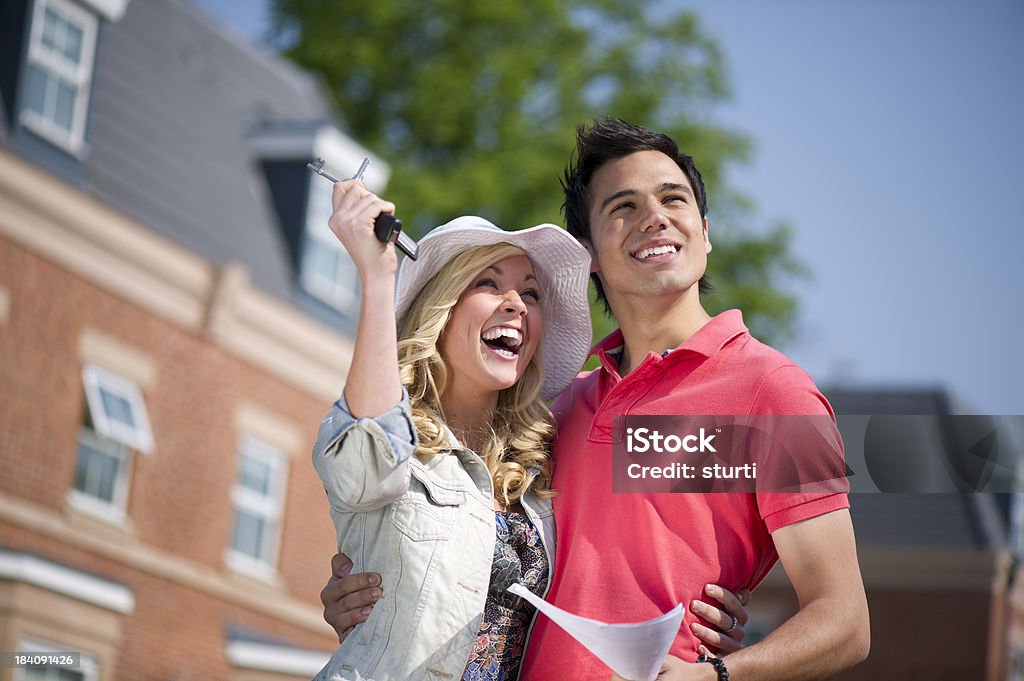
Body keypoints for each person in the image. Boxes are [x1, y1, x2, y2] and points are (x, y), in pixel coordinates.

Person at [520, 118, 870, 680]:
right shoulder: (555, 404)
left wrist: (716, 677)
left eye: (672, 198)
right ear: (588, 253)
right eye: (623, 207)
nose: (654, 217)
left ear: (703, 232)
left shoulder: (776, 393)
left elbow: (846, 621)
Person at [310, 166, 595, 681]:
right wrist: (378, 276)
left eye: (530, 294)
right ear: (440, 311)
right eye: (488, 284)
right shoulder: (401, 441)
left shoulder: (537, 469)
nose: (516, 303)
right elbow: (369, 453)